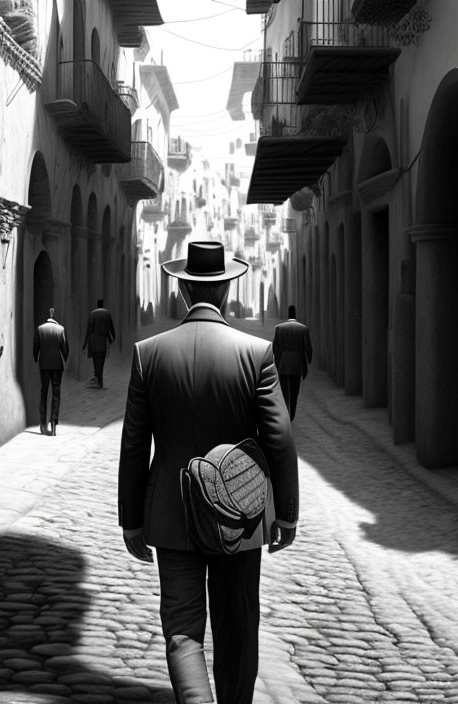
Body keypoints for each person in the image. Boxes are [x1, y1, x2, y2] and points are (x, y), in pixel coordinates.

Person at [118, 240, 299, 704]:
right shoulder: (256, 353)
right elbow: (278, 436)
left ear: (181, 290)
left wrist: (131, 518)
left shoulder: (148, 353)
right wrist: (287, 514)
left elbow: (135, 443)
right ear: (225, 292)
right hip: (238, 514)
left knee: (181, 630)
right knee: (237, 626)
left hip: (171, 514)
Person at [272, 305, 313, 421]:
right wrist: (309, 359)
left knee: (285, 391)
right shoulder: (303, 328)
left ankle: (285, 412)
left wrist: (276, 361)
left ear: (287, 314)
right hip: (297, 364)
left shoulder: (279, 328)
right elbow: (308, 347)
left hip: (284, 364)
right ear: (295, 314)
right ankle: (292, 415)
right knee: (295, 391)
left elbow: (275, 347)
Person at [33, 307, 68, 436]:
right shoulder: (60, 329)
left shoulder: (40, 329)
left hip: (44, 365)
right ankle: (53, 423)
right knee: (56, 393)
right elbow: (64, 348)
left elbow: (36, 347)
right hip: (57, 365)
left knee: (44, 392)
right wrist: (65, 357)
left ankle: (43, 424)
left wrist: (36, 357)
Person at [82, 298, 115, 388]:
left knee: (95, 362)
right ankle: (100, 382)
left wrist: (85, 344)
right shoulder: (106, 313)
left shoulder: (92, 313)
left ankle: (97, 381)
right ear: (103, 305)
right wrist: (112, 338)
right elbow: (110, 327)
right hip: (102, 340)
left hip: (93, 340)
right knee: (101, 362)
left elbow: (89, 329)